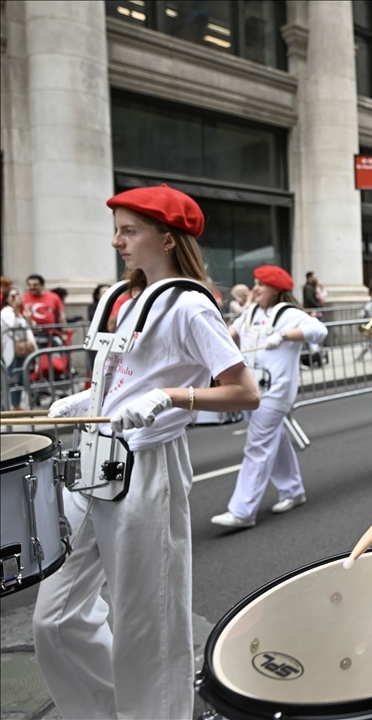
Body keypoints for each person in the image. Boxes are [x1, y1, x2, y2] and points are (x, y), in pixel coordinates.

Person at [33, 184, 260, 719]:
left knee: (147, 621)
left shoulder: (190, 306)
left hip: (147, 466)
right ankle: (109, 710)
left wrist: (172, 398)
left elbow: (246, 392)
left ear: (167, 237)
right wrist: (84, 400)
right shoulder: (122, 298)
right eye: (117, 229)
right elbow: (125, 381)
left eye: (129, 230)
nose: (117, 241)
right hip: (91, 462)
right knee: (54, 618)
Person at [212, 265, 327, 529]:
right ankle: (293, 490)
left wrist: (284, 335)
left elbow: (319, 331)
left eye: (260, 285)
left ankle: (242, 511)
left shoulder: (290, 314)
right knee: (275, 440)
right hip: (251, 389)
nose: (255, 289)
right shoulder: (251, 311)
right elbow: (231, 334)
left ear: (276, 289)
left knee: (257, 446)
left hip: (276, 392)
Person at [1, 286, 37, 409]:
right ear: (6, 299)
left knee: (22, 377)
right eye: (12, 296)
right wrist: (16, 309)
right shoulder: (5, 312)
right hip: (12, 351)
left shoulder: (19, 312)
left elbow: (32, 328)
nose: (16, 298)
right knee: (13, 378)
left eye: (18, 294)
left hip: (23, 350)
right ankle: (10, 406)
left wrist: (27, 316)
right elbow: (15, 328)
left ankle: (17, 404)